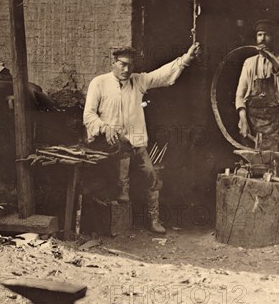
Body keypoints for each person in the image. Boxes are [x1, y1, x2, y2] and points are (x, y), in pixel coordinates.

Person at [83, 43, 201, 234]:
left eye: (130, 65)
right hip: (107, 144)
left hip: (135, 142)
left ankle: (154, 219)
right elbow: (88, 115)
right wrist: (104, 127)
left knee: (151, 175)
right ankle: (121, 194)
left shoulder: (137, 81)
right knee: (117, 166)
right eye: (122, 64)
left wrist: (186, 58)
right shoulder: (99, 83)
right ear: (113, 62)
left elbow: (162, 75)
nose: (127, 69)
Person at [236, 20, 279, 151]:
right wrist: (243, 119)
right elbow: (239, 95)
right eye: (260, 35)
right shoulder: (249, 63)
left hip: (274, 122)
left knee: (271, 159)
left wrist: (270, 57)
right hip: (251, 122)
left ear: (272, 38)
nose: (263, 39)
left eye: (267, 35)